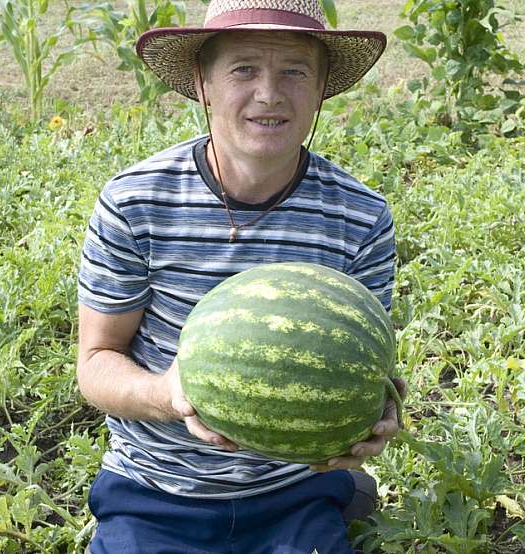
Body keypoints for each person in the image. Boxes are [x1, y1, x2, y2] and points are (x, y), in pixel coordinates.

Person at [76, 1, 405, 552]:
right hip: (154, 490)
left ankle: (346, 493)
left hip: (294, 494)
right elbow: (94, 365)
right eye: (244, 69)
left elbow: (363, 359)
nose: (270, 94)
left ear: (322, 87)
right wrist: (167, 394)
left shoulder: (361, 216)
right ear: (203, 83)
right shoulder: (135, 201)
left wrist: (376, 416)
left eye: (294, 72)